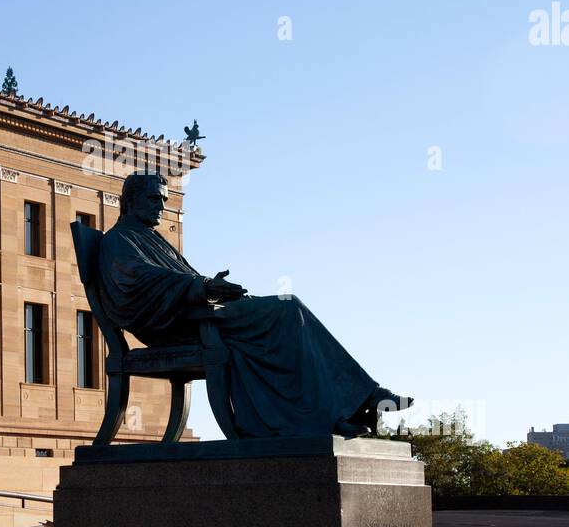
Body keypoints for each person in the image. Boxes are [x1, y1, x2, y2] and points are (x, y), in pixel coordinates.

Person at [97, 172, 412, 440]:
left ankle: (332, 415)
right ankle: (351, 404)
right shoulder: (119, 240)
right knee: (288, 310)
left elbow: (176, 277)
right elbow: (138, 283)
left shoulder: (151, 238)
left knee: (286, 321)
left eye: (164, 199)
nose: (162, 207)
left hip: (203, 315)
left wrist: (215, 288)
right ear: (131, 200)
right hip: (177, 326)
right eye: (154, 199)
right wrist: (202, 286)